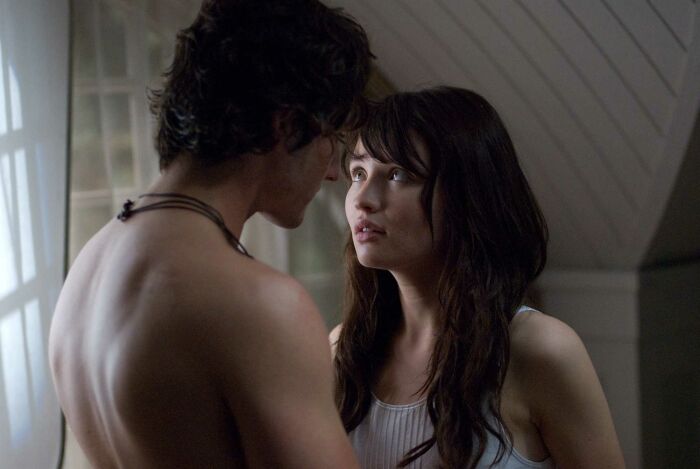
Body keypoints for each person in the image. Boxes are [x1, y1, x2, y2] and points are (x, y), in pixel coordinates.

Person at [49, 1, 371, 467]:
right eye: (332, 139)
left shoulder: (86, 272)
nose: (333, 173)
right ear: (286, 126)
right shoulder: (259, 304)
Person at [332, 87, 626, 468]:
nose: (362, 199)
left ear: (467, 195)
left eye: (398, 174)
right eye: (358, 173)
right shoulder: (343, 351)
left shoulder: (539, 351)